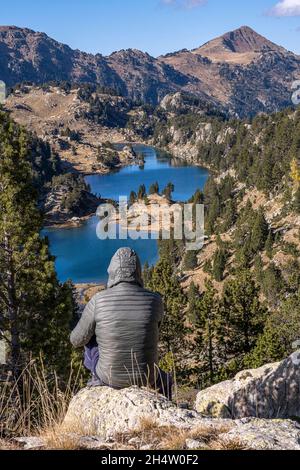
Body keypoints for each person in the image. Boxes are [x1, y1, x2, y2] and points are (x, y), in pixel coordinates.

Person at [70, 247, 172, 399]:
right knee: (166, 380)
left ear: (112, 271)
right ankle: (165, 409)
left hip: (109, 377)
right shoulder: (155, 300)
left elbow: (76, 340)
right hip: (148, 377)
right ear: (137, 271)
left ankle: (96, 381)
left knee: (90, 339)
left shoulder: (98, 300)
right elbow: (157, 329)